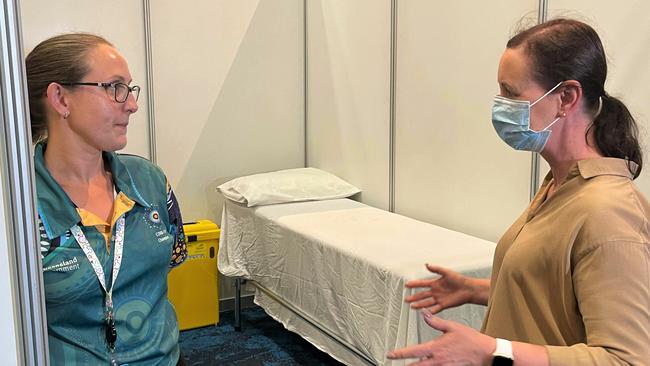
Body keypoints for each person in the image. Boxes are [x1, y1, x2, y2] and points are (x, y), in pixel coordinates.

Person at [387, 18, 650, 365]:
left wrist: (491, 351)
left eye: (510, 93)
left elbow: (627, 360)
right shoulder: (561, 184)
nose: (500, 106)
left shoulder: (608, 212)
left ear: (566, 97)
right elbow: (555, 292)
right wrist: (475, 289)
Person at [26, 33, 188, 365]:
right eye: (114, 87)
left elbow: (170, 260)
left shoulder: (150, 182)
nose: (131, 103)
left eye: (129, 88)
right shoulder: (21, 206)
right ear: (61, 99)